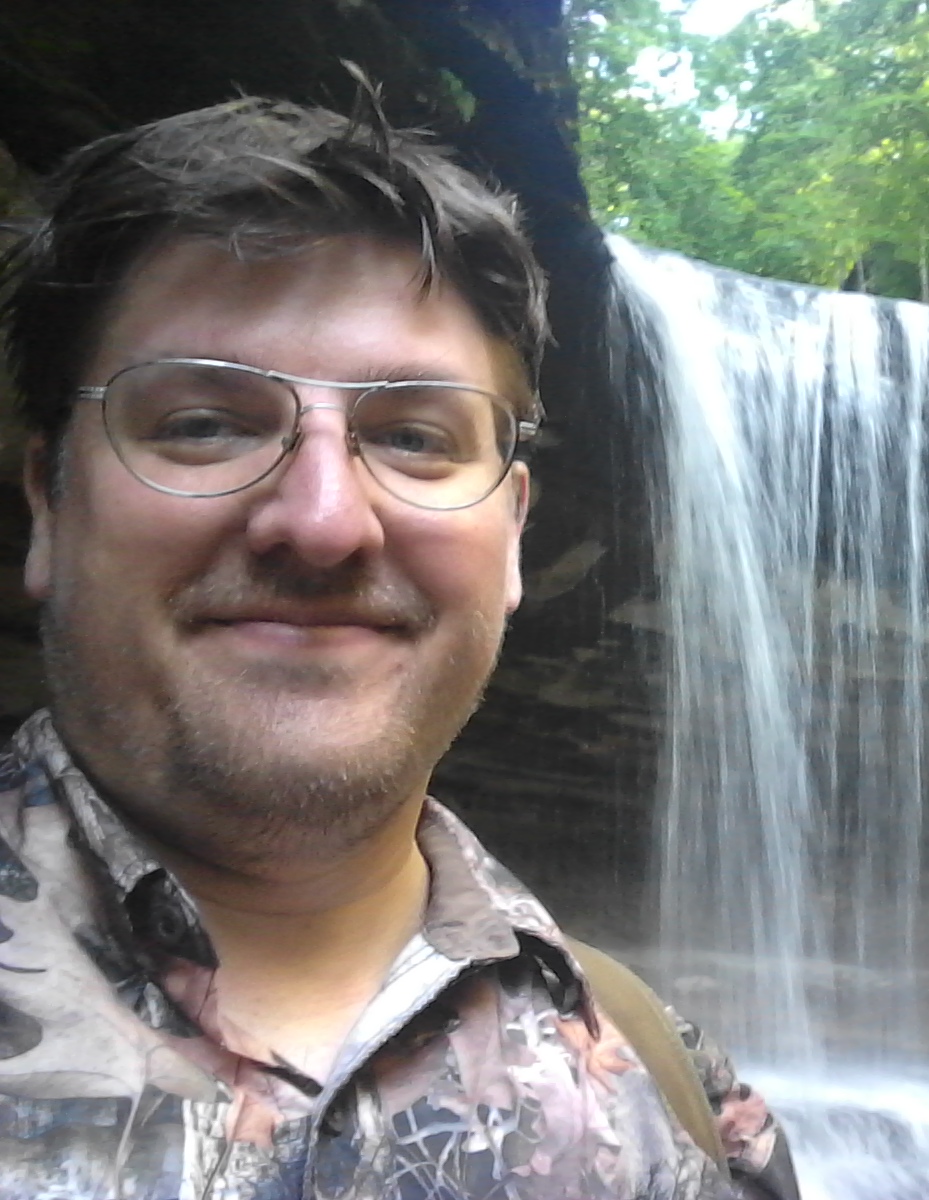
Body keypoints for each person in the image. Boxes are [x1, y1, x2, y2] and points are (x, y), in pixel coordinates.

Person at [0, 95, 797, 1199]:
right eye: (203, 423)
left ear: (512, 535)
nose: (324, 521)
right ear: (50, 501)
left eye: (415, 438)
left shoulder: (678, 1093)